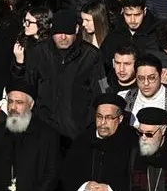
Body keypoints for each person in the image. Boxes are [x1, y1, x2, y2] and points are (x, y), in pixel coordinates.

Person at [12, 9, 110, 147]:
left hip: (76, 133)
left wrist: (89, 126)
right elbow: (28, 87)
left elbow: (100, 93)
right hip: (43, 130)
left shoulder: (92, 56)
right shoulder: (39, 52)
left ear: (76, 29)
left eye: (67, 32)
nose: (63, 37)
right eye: (59, 32)